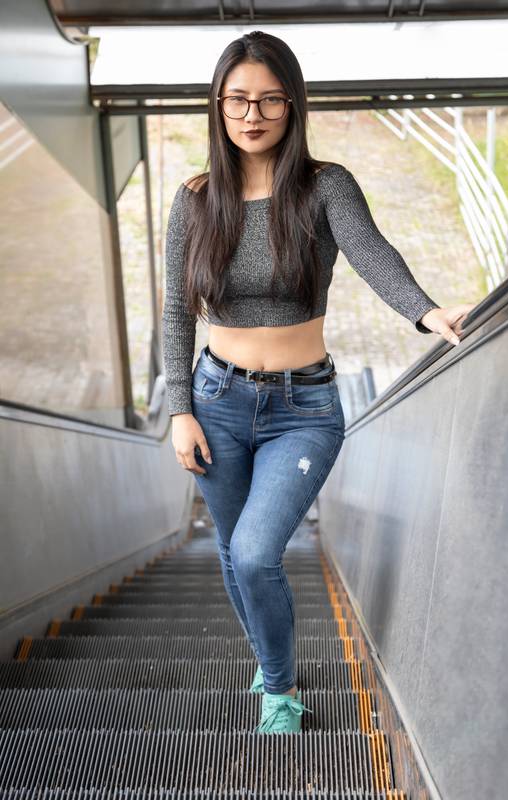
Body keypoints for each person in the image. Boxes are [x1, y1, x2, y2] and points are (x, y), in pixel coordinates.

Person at [162, 30, 474, 734]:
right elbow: (175, 312)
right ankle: (266, 656)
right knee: (228, 548)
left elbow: (372, 254)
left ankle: (278, 691)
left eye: (270, 99)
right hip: (214, 401)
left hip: (302, 408)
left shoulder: (324, 186)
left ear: (293, 104)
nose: (252, 114)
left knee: (254, 550)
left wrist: (424, 312)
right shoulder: (195, 199)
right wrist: (178, 408)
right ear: (217, 104)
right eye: (238, 99)